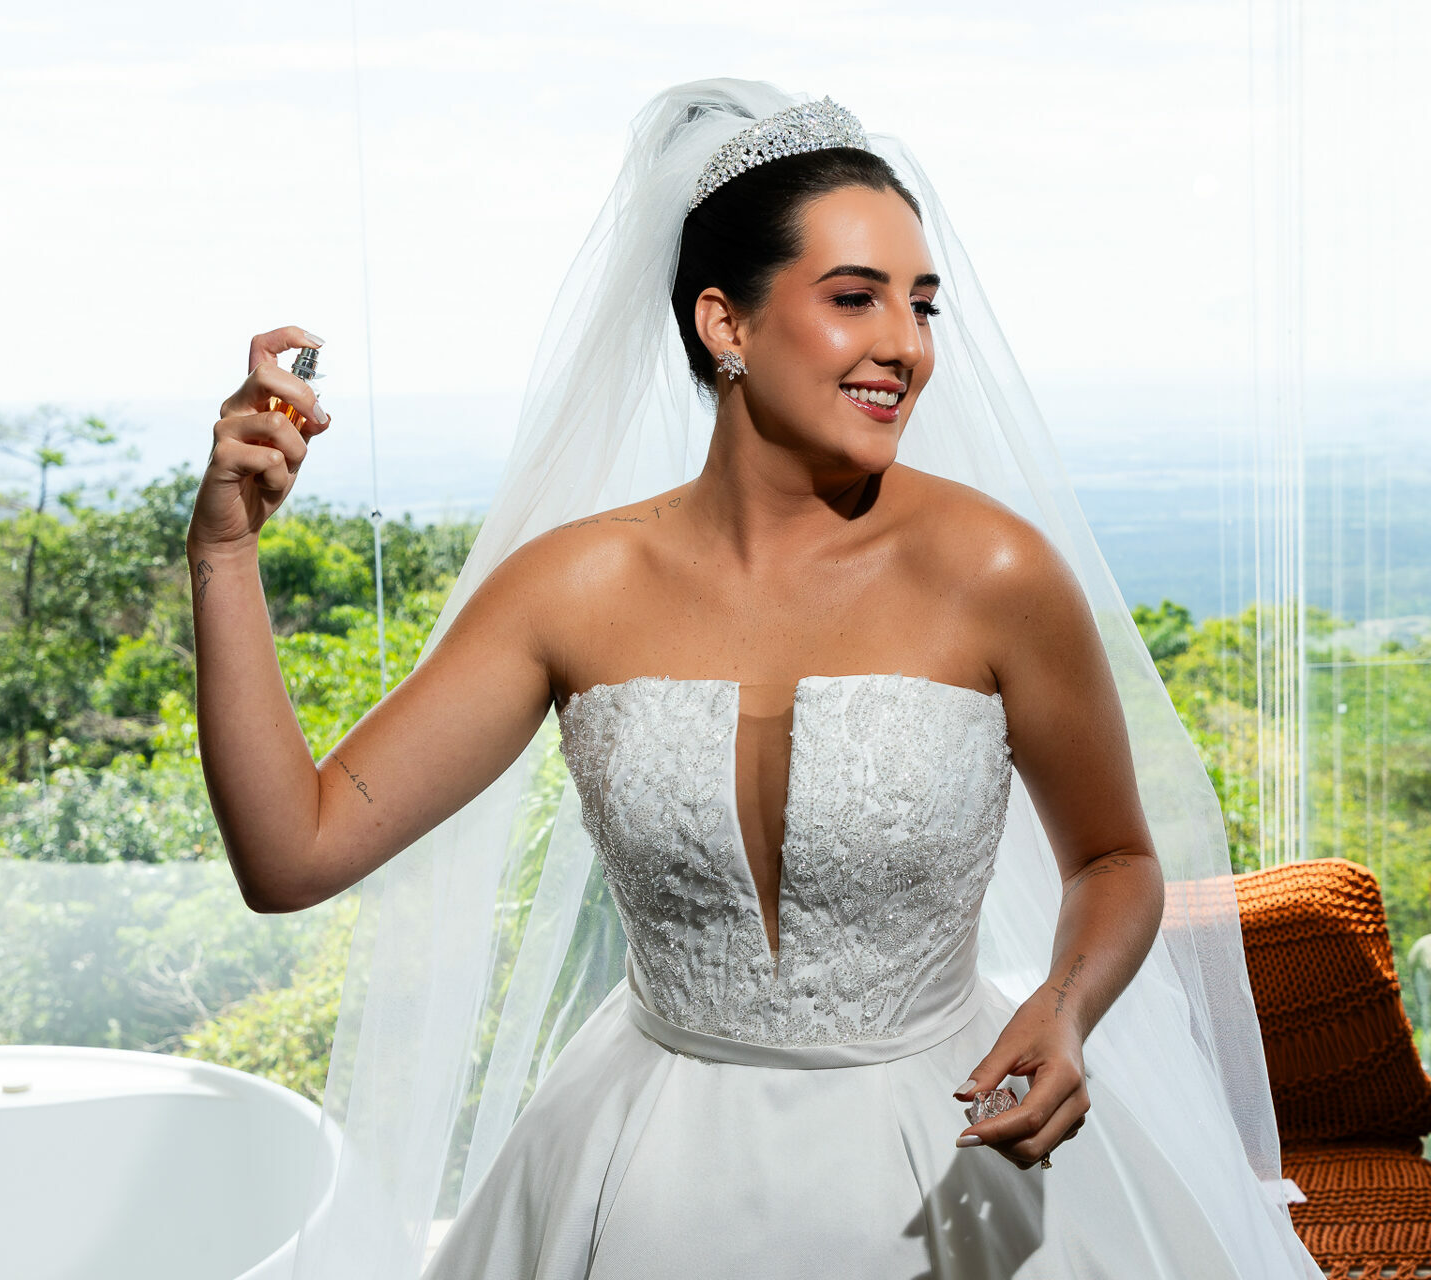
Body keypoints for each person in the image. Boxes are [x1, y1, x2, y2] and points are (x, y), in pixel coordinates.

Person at [186, 80, 1323, 1279]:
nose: (908, 345)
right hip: (645, 1170)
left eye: (922, 303)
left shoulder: (995, 572)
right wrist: (225, 553)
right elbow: (293, 852)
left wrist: (1066, 1005)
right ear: (725, 323)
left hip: (951, 1153)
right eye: (855, 297)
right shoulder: (571, 588)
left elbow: (1115, 858)